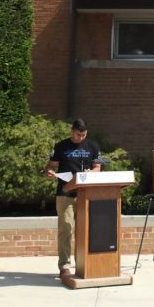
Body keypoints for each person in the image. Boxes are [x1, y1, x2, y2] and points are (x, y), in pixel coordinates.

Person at [45, 119, 100, 278]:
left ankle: (83, 264)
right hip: (65, 195)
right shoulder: (61, 146)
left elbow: (97, 167)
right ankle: (64, 266)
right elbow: (51, 166)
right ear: (72, 131)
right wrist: (49, 172)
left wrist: (92, 173)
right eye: (78, 135)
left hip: (85, 195)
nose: (81, 138)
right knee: (66, 230)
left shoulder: (92, 146)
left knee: (84, 231)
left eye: (83, 135)